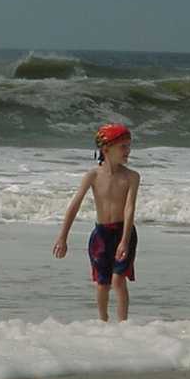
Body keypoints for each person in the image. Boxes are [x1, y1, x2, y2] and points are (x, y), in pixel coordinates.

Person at [52, 123, 141, 322]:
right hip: (101, 235)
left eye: (128, 146)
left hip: (124, 233)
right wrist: (63, 237)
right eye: (123, 147)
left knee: (118, 280)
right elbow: (74, 205)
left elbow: (129, 209)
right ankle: (103, 322)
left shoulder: (132, 177)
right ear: (106, 149)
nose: (128, 151)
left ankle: (123, 324)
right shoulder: (92, 176)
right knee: (103, 283)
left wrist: (125, 240)